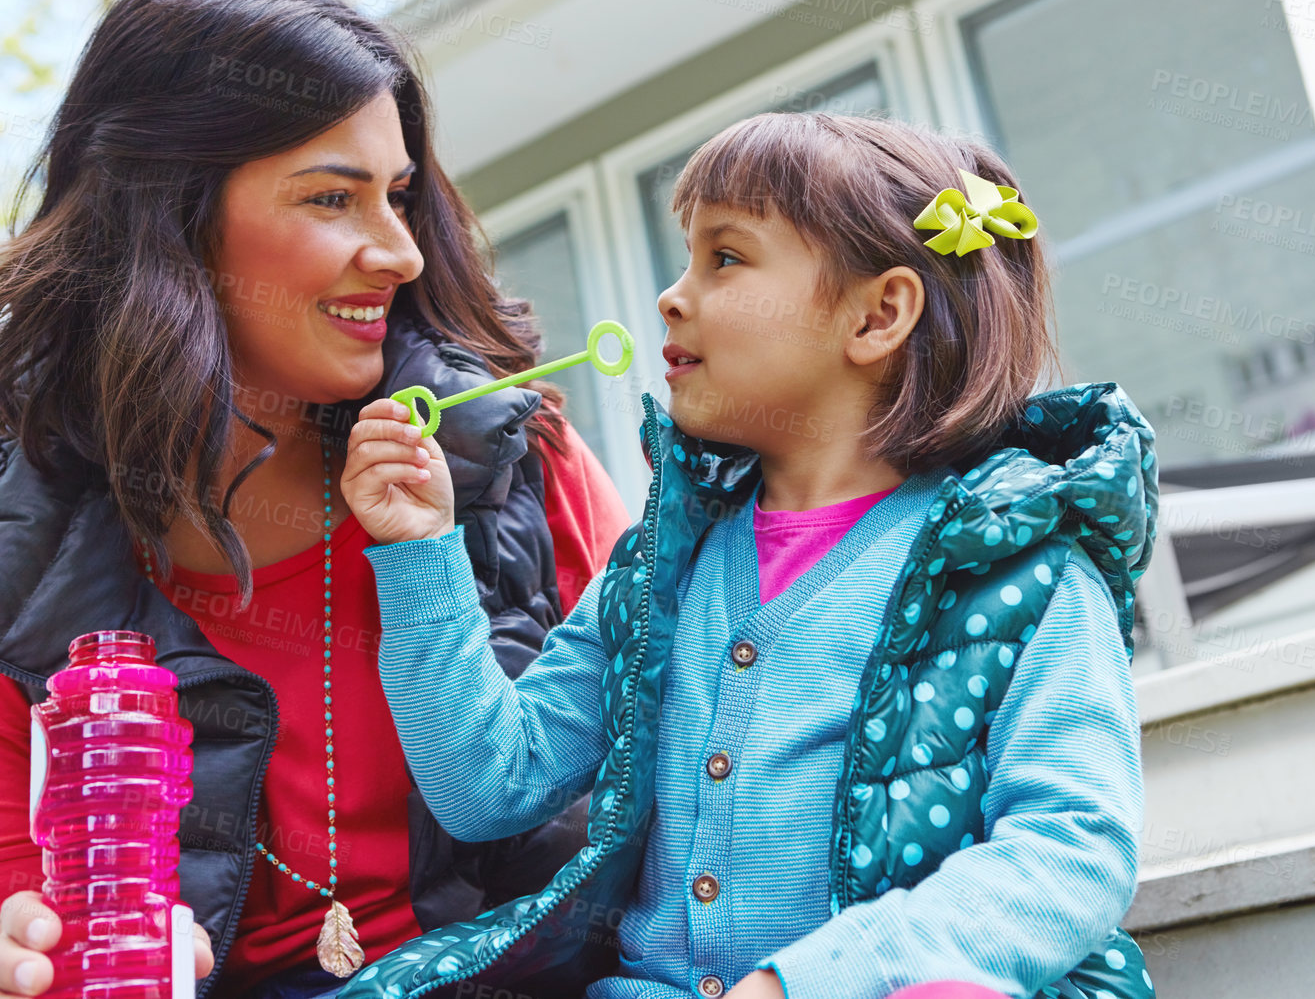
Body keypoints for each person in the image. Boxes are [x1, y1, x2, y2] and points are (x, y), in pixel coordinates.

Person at [0, 0, 630, 999]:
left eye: (400, 195)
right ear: (172, 222)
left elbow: (695, 751)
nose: (401, 250)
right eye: (333, 197)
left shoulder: (509, 458)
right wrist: (21, 962)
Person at [336, 111, 1160, 999]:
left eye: (724, 258)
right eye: (686, 256)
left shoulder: (1023, 568)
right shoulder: (661, 566)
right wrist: (421, 552)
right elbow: (486, 787)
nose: (672, 294)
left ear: (879, 315)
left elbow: (1070, 848)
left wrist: (796, 986)